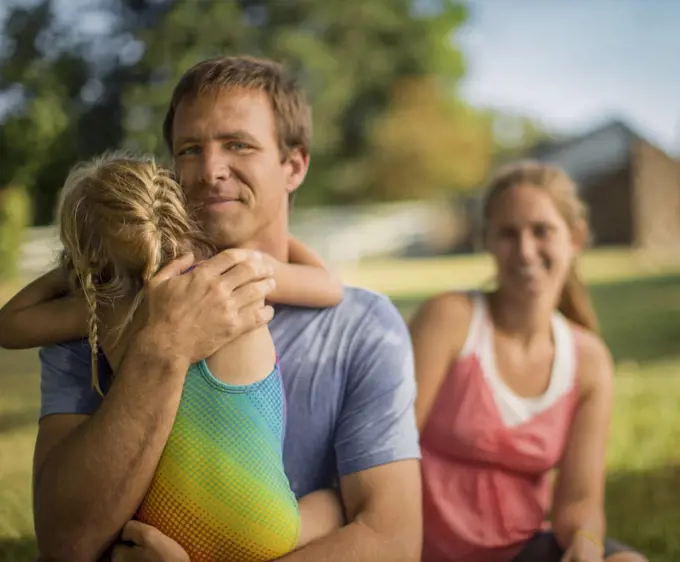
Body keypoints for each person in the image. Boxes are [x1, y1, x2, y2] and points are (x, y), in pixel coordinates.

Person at [26, 55, 422, 562]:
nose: (210, 171)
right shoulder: (108, 306)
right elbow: (66, 544)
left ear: (294, 165)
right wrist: (162, 350)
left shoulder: (363, 328)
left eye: (239, 144)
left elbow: (392, 541)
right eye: (190, 150)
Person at [0, 152, 348, 561]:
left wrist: (81, 266)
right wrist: (267, 251)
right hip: (264, 527)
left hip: (164, 529)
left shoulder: (100, 308)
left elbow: (9, 324)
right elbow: (329, 287)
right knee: (334, 502)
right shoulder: (226, 278)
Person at [410, 161, 647, 562]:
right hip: (420, 550)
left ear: (575, 238)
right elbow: (386, 451)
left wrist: (586, 548)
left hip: (522, 551)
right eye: (507, 233)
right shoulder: (450, 319)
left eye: (542, 231)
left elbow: (580, 501)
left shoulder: (588, 361)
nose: (524, 250)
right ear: (485, 240)